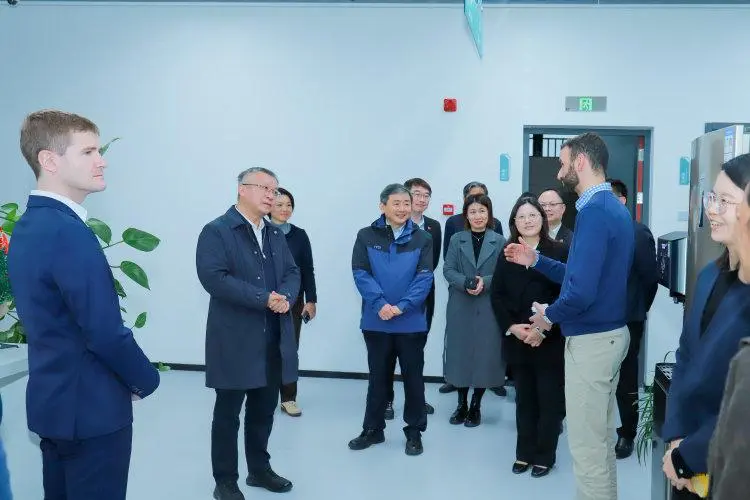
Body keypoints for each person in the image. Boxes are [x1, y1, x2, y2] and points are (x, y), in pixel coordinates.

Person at [7, 110, 160, 500]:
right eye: (89, 151)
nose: (101, 160)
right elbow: (104, 331)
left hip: (54, 405)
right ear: (49, 160)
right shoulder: (68, 232)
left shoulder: (28, 225)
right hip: (91, 412)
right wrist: (145, 379)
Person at [504, 132, 633, 500]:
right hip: (608, 336)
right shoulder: (610, 207)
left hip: (592, 344)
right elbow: (579, 276)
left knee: (588, 451)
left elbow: (580, 293)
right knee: (599, 442)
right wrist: (537, 260)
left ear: (580, 162)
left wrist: (548, 317)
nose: (560, 172)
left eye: (563, 164)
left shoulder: (594, 212)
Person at [196, 167, 301, 500]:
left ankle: (259, 470)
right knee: (228, 413)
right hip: (235, 338)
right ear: (242, 189)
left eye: (275, 190)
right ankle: (225, 480)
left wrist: (285, 296)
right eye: (265, 188)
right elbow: (214, 278)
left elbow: (292, 272)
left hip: (272, 336)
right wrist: (263, 298)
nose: (272, 195)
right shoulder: (217, 231)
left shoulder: (274, 234)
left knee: (263, 409)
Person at [661, 153, 750, 500]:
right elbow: (685, 356)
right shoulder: (710, 274)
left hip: (728, 461)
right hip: (684, 451)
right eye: (712, 197)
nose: (711, 209)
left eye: (725, 201)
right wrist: (675, 438)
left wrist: (689, 455)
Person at [348, 184, 433, 456]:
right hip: (377, 321)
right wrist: (381, 305)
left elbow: (424, 277)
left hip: (411, 322)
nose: (403, 208)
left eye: (406, 203)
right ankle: (373, 430)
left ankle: (414, 432)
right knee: (378, 378)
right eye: (396, 203)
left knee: (413, 379)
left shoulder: (422, 238)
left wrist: (401, 307)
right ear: (382, 206)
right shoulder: (366, 235)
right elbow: (361, 273)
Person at [490, 195, 567, 478]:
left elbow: (566, 294)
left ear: (542, 219)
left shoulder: (559, 251)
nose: (527, 220)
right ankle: (524, 453)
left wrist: (542, 328)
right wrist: (512, 327)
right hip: (518, 339)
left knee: (549, 401)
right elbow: (497, 295)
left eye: (533, 215)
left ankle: (545, 456)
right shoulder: (507, 252)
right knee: (524, 401)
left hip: (550, 338)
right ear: (514, 223)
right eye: (521, 217)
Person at [442, 194, 505, 427]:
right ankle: (461, 404)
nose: (478, 216)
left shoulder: (499, 240)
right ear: (466, 215)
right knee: (460, 354)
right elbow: (448, 269)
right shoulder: (456, 239)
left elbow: (504, 273)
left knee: (484, 355)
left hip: (488, 305)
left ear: (489, 214)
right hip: (461, 303)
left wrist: (484, 282)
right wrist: (465, 282)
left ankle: (476, 405)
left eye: (482, 211)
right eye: (473, 212)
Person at [608, 179, 659, 459]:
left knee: (626, 378)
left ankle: (627, 432)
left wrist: (639, 309)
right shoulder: (596, 231)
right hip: (600, 318)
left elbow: (650, 278)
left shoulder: (638, 233)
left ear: (623, 200)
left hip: (629, 317)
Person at [383, 178, 440, 420]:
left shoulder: (434, 227)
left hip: (423, 296)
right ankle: (386, 400)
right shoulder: (386, 226)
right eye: (417, 194)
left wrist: (416, 291)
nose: (421, 199)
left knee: (415, 352)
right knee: (387, 353)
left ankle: (416, 400)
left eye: (426, 195)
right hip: (391, 298)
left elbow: (431, 263)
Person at [268, 187, 317, 418]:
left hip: (292, 302)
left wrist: (311, 300)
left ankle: (288, 399)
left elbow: (307, 269)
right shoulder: (260, 232)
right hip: (264, 301)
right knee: (263, 351)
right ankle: (264, 397)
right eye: (279, 205)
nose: (285, 209)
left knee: (289, 351)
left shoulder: (299, 235)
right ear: (269, 206)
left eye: (288, 205)